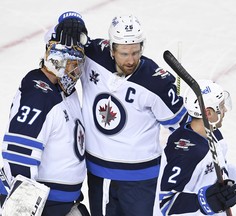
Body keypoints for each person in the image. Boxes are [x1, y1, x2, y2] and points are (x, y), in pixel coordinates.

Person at [54, 12, 188, 216]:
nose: (131, 60)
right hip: (101, 173)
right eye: (124, 53)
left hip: (142, 178)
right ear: (112, 48)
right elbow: (57, 40)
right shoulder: (92, 55)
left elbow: (183, 128)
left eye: (135, 52)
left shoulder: (156, 82)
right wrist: (71, 20)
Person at [157, 79, 236, 215]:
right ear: (208, 113)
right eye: (221, 105)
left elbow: (219, 172)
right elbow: (166, 203)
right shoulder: (184, 151)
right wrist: (205, 202)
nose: (224, 110)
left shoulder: (214, 135)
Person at [0, 27, 90, 215]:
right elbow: (20, 159)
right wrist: (21, 210)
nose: (76, 69)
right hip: (40, 206)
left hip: (60, 205)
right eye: (71, 62)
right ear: (57, 60)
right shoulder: (38, 95)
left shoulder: (64, 89)